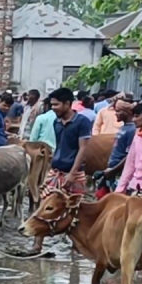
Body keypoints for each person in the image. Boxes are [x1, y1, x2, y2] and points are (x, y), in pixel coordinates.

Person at [31, 87, 93, 256]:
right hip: (56, 170)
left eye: (56, 105)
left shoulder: (82, 122)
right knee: (44, 204)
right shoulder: (56, 122)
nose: (53, 108)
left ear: (67, 104)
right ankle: (37, 245)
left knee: (75, 209)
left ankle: (76, 247)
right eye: (52, 105)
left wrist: (72, 173)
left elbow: (83, 149)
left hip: (74, 172)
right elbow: (60, 146)